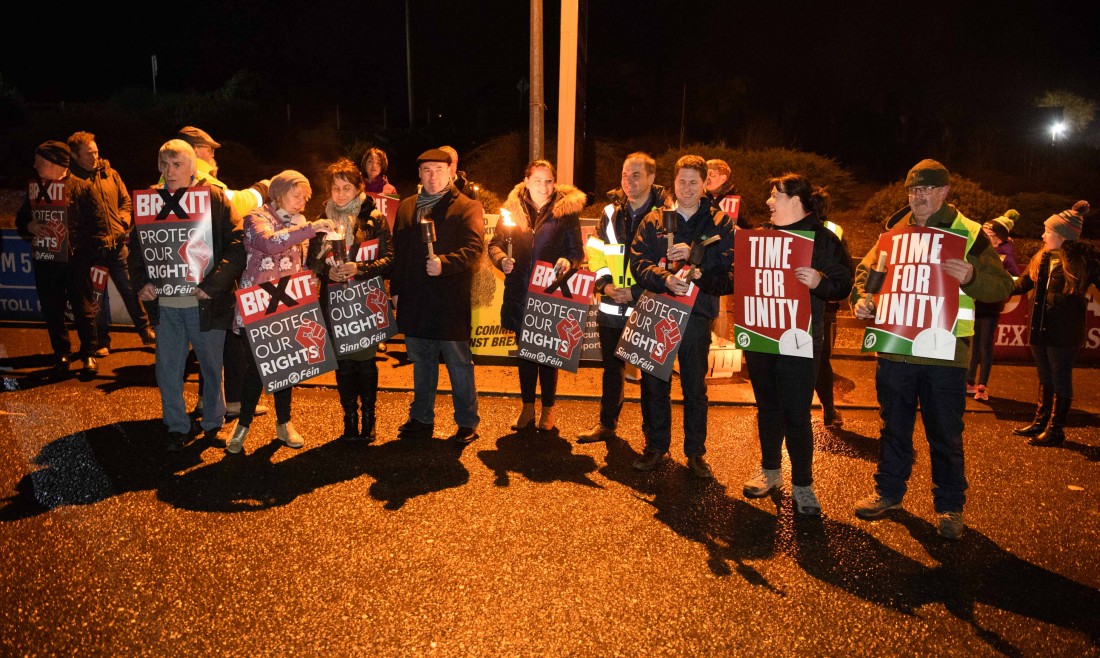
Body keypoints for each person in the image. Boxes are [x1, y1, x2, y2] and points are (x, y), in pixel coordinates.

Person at [850, 159, 1014, 539]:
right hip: (894, 350)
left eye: (925, 190)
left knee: (945, 434)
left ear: (943, 192)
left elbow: (1002, 286)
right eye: (912, 190)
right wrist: (861, 299)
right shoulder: (893, 231)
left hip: (945, 354)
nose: (917, 197)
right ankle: (888, 493)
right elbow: (866, 275)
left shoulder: (969, 234)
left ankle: (950, 506)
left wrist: (972, 275)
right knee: (893, 428)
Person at [741, 175, 853, 514]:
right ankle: (770, 471)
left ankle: (803, 485)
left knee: (796, 414)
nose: (769, 201)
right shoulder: (761, 238)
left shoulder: (824, 239)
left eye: (775, 195)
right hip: (762, 337)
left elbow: (843, 284)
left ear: (796, 200)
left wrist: (820, 280)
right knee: (768, 408)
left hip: (800, 341)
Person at [129, 140, 245, 451]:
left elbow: (236, 248)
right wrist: (142, 282)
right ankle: (176, 426)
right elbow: (136, 251)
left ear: (193, 167)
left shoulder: (215, 198)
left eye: (176, 164)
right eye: (164, 165)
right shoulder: (149, 203)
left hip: (204, 304)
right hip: (166, 306)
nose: (169, 171)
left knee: (210, 367)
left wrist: (211, 286)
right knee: (167, 369)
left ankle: (212, 424)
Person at [629, 154, 736, 478]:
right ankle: (656, 446)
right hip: (658, 309)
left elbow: (728, 272)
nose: (687, 188)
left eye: (694, 182)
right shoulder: (653, 220)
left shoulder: (719, 222)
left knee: (694, 386)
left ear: (705, 184)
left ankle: (695, 452)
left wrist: (695, 259)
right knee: (653, 383)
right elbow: (637, 263)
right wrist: (663, 279)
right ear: (673, 183)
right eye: (681, 182)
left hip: (696, 314)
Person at [224, 172, 336, 454]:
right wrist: (311, 228)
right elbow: (270, 243)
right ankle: (242, 426)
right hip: (258, 304)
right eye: (296, 195)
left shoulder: (300, 224)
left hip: (289, 303)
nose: (302, 202)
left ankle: (284, 423)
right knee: (257, 368)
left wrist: (313, 275)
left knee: (285, 366)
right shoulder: (256, 217)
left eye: (305, 197)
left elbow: (301, 262)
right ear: (279, 193)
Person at [175, 126, 270, 420]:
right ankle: (228, 404)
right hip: (210, 274)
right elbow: (234, 204)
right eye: (209, 149)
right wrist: (261, 190)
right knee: (224, 339)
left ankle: (203, 404)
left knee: (202, 342)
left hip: (182, 276)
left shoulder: (168, 180)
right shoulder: (202, 180)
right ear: (195, 150)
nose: (214, 154)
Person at [390, 149, 484, 443]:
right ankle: (421, 417)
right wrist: (395, 291)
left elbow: (473, 248)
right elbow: (398, 254)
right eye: (427, 170)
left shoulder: (467, 207)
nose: (433, 176)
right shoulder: (407, 206)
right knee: (422, 361)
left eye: (439, 170)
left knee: (458, 362)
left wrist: (444, 263)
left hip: (448, 300)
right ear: (419, 174)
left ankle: (467, 421)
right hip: (415, 299)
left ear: (450, 173)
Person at [576, 152, 670, 444]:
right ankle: (606, 424)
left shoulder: (668, 213)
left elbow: (670, 263)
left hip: (648, 304)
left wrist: (637, 292)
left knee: (651, 377)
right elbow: (596, 251)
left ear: (652, 178)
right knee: (611, 370)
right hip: (612, 303)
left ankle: (652, 439)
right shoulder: (609, 212)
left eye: (636, 175)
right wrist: (604, 285)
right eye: (625, 175)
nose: (628, 181)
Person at [487, 159, 585, 432]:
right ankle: (528, 407)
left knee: (548, 354)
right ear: (526, 181)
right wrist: (501, 260)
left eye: (549, 180)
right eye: (538, 180)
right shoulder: (512, 210)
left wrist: (568, 261)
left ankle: (548, 409)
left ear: (554, 182)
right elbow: (495, 245)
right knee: (527, 353)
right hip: (520, 291)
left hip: (550, 293)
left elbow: (577, 252)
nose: (544, 186)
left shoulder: (566, 212)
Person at [306, 158, 393, 443]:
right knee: (343, 364)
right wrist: (324, 269)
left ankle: (369, 417)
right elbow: (311, 260)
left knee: (366, 363)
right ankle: (349, 419)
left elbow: (390, 259)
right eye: (335, 188)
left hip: (364, 302)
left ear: (359, 188)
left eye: (346, 188)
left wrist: (360, 268)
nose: (341, 194)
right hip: (334, 302)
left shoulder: (374, 218)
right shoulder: (322, 221)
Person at [1010, 201, 1099, 446]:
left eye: (1047, 231)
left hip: (1065, 335)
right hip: (1039, 330)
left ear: (1062, 235)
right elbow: (1020, 286)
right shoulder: (1042, 258)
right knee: (1045, 377)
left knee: (1060, 379)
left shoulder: (1083, 263)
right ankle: (1040, 423)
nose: (1042, 235)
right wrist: (989, 282)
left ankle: (1056, 429)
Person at [66, 131, 156, 355]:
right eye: (88, 154)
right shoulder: (70, 182)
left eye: (96, 152)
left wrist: (124, 220)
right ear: (75, 156)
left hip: (116, 245)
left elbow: (125, 201)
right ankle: (102, 341)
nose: (94, 157)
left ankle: (145, 331)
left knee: (131, 288)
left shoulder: (110, 174)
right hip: (91, 250)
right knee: (95, 297)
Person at [15, 141, 99, 375]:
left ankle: (88, 353)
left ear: (53, 164)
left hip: (75, 261)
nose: (34, 165)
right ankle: (61, 353)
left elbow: (97, 226)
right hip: (45, 260)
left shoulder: (82, 188)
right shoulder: (35, 190)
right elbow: (21, 220)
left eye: (39, 161)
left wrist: (84, 255)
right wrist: (30, 225)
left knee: (83, 309)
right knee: (52, 309)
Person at [966, 210, 1021, 401]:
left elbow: (1014, 278)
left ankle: (982, 385)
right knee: (972, 344)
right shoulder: (980, 249)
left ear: (997, 237)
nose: (983, 236)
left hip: (991, 306)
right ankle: (969, 381)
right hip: (976, 303)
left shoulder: (1006, 254)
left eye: (987, 234)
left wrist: (1000, 289)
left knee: (985, 345)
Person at [814, 218, 853, 428]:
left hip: (824, 306)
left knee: (820, 359)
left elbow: (845, 270)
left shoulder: (831, 231)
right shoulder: (779, 227)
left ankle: (828, 408)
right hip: (792, 307)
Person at [705, 158, 751, 229]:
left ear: (723, 179)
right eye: (705, 175)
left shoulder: (735, 201)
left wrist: (739, 231)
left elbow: (748, 229)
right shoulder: (697, 197)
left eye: (712, 176)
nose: (707, 179)